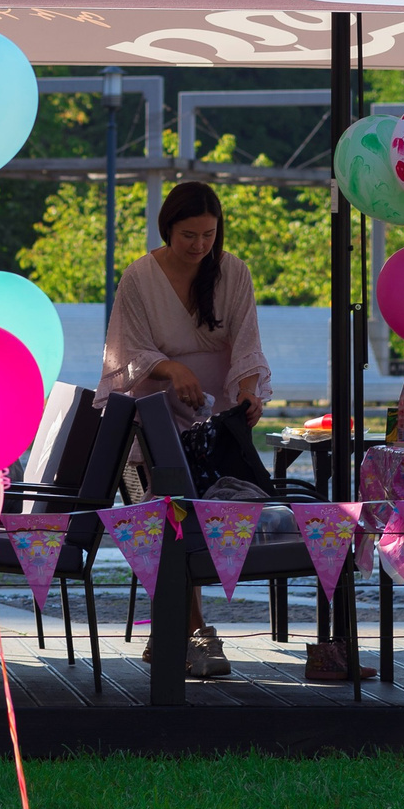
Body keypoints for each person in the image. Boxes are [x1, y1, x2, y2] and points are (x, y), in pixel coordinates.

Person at [100, 181, 274, 680]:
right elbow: (125, 354)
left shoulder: (233, 272)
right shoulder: (139, 277)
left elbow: (247, 345)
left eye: (208, 236)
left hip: (212, 427)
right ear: (167, 230)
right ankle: (192, 630)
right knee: (165, 515)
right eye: (188, 236)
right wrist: (173, 369)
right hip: (148, 424)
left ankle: (173, 631)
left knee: (201, 521)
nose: (199, 246)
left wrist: (247, 393)